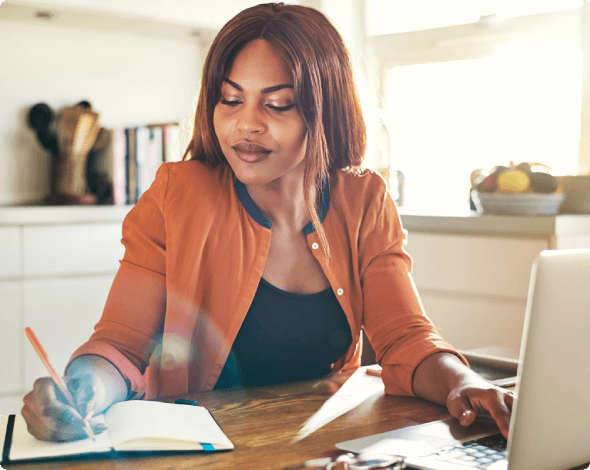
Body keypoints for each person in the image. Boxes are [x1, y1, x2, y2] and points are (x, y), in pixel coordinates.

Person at [21, 2, 513, 443]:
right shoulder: (177, 194)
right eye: (231, 100)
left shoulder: (364, 199)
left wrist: (462, 382)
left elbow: (405, 339)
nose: (246, 124)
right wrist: (83, 387)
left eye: (277, 104)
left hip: (324, 445)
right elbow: (121, 346)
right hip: (197, 452)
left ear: (325, 112)